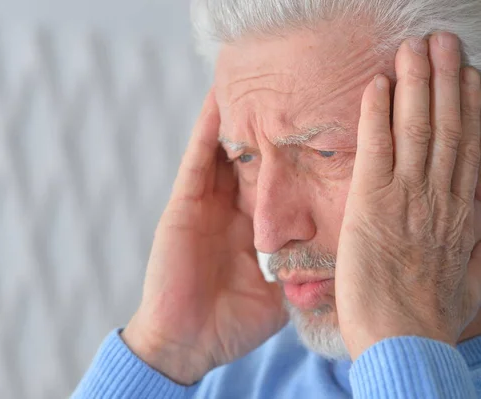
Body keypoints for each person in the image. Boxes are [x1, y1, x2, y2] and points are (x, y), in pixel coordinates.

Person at [73, 1, 481, 397]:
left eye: (326, 152)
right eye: (245, 157)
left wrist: (403, 340)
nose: (266, 234)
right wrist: (162, 351)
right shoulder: (228, 369)